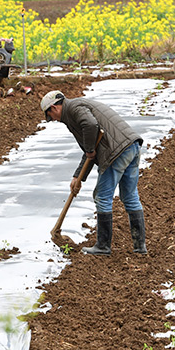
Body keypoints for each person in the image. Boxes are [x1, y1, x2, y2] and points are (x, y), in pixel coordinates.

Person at [40, 90, 147, 256]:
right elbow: (89, 151)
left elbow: (90, 128)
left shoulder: (74, 109)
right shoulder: (75, 109)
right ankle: (140, 247)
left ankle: (103, 246)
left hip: (116, 151)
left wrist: (89, 150)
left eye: (50, 116)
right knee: (130, 197)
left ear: (54, 108)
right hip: (131, 146)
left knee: (102, 196)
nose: (54, 120)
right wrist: (78, 177)